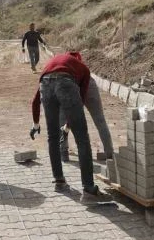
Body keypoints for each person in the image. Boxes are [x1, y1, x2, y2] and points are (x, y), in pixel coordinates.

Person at [30, 51, 103, 202]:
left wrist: (36, 124)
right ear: (78, 61)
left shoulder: (50, 65)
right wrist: (70, 125)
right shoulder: (83, 69)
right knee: (82, 138)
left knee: (52, 136)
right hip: (65, 84)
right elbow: (80, 99)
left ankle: (59, 181)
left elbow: (35, 100)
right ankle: (89, 189)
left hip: (46, 84)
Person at [58, 52, 114, 161]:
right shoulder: (82, 67)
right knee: (100, 121)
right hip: (89, 85)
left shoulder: (60, 69)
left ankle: (63, 152)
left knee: (62, 118)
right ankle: (110, 154)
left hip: (72, 86)